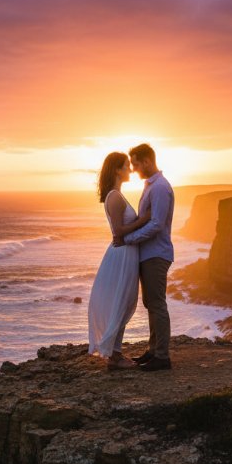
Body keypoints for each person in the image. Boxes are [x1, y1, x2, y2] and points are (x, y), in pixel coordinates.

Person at [88, 152, 152, 370]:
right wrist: (144, 220)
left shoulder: (117, 195)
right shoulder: (114, 196)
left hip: (126, 254)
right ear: (117, 170)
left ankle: (115, 353)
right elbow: (118, 232)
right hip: (122, 254)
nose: (130, 169)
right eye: (126, 166)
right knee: (121, 302)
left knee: (124, 302)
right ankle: (114, 357)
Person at [115, 143, 175, 371]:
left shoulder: (159, 187)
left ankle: (162, 356)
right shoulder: (151, 185)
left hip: (156, 253)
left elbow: (158, 224)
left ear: (147, 161)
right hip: (149, 253)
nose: (134, 169)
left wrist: (128, 239)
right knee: (151, 303)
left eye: (136, 164)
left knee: (157, 304)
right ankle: (153, 351)